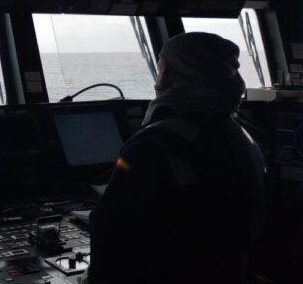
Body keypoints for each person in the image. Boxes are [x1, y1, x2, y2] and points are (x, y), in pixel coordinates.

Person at [85, 32, 267, 284]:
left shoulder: (153, 144)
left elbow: (111, 231)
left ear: (171, 76)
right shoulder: (244, 135)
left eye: (161, 69)